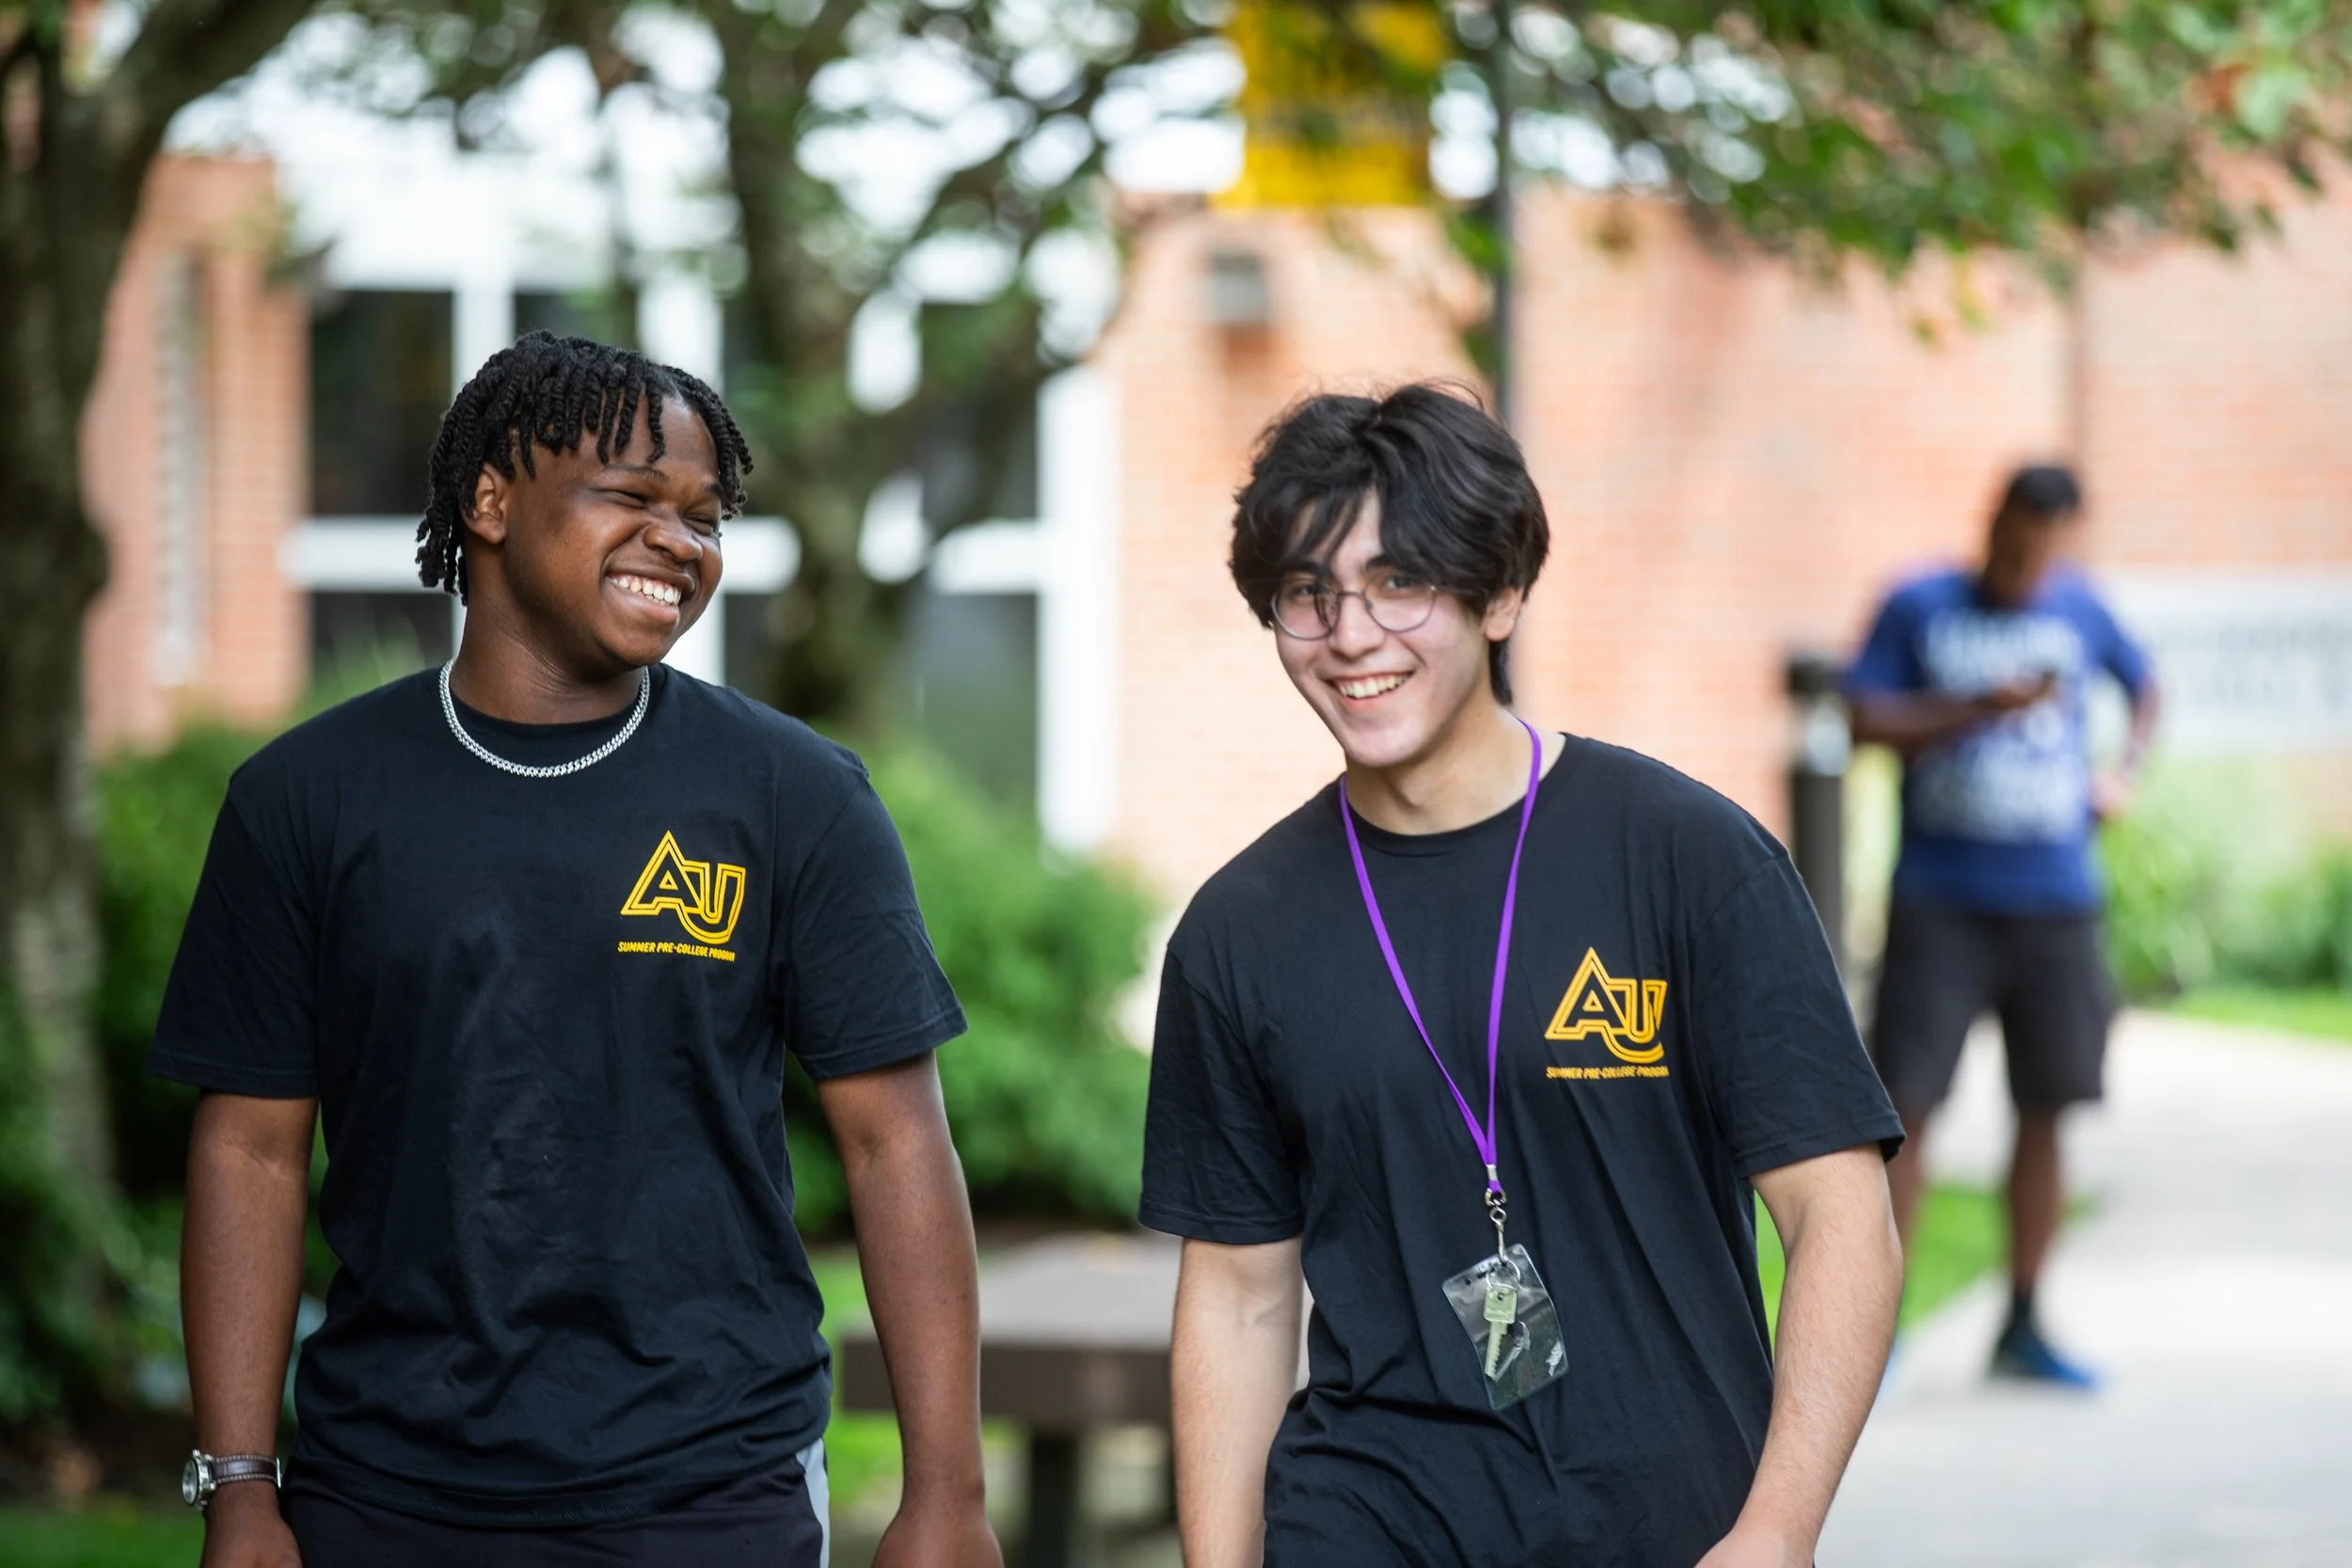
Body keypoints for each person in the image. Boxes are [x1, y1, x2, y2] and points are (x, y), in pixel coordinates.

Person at [155, 333, 1000, 1568]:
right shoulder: (306, 800)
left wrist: (948, 1493)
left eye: (707, 516)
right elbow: (250, 1151)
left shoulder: (793, 793)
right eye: (636, 495)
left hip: (714, 1484)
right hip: (386, 1486)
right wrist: (239, 1488)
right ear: (491, 500)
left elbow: (897, 1140)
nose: (683, 541)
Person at [1142, 384, 1906, 1568]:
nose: (1350, 634)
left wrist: (1778, 1530)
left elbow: (1839, 1215)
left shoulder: (1687, 857)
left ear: (1500, 594)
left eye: (1400, 582)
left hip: (1674, 1523)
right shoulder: (1238, 932)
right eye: (1309, 593)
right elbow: (1240, 1295)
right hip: (1366, 1514)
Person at [1846, 462, 2158, 1388]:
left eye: (2044, 550)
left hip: (2057, 903)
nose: (2026, 564)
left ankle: (2021, 1318)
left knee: (2047, 1110)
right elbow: (1862, 718)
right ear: (1991, 524)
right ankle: (1876, 1326)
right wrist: (1979, 706)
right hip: (1940, 899)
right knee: (1904, 1110)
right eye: (2015, 543)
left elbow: (2144, 686)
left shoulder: (2082, 610)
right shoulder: (1918, 604)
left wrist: (2124, 769)